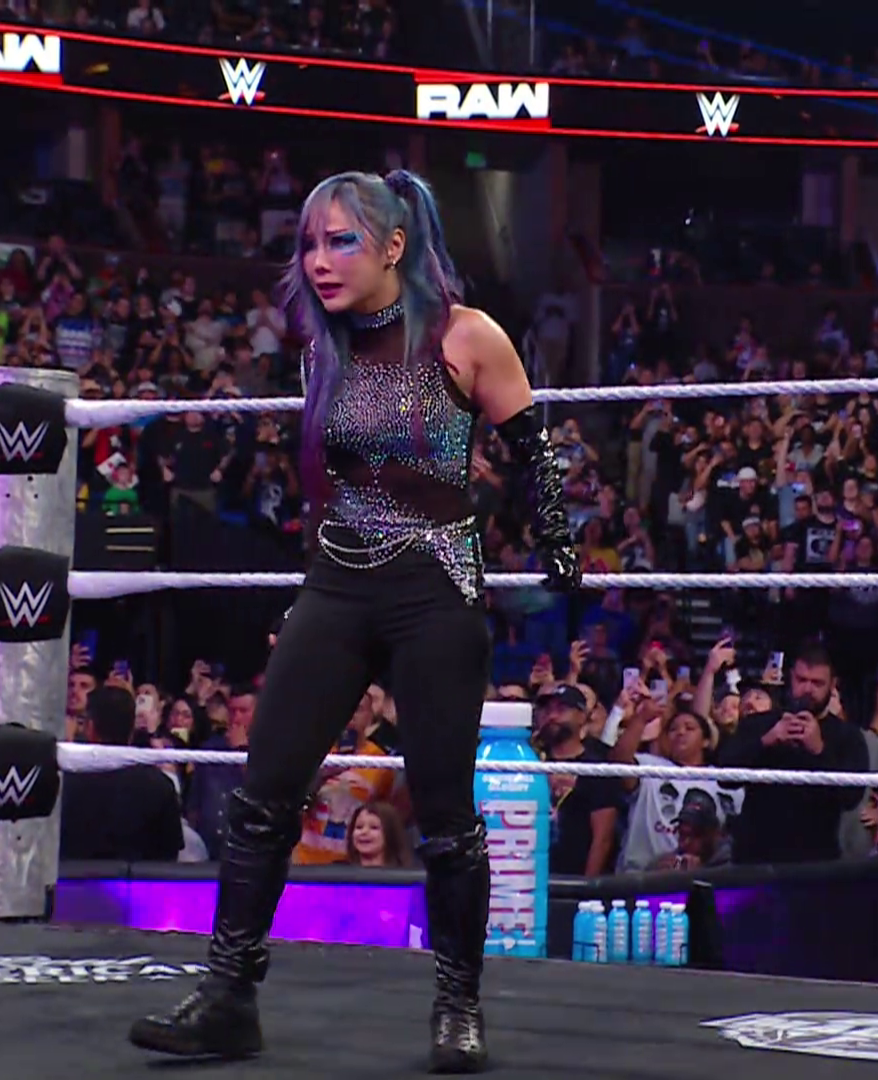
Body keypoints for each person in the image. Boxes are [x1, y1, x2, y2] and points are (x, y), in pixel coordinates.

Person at [129, 170, 579, 1072]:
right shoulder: (321, 349)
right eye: (310, 243)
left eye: (340, 241)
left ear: (394, 247)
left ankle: (458, 1007)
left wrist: (558, 543)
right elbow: (329, 485)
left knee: (446, 813)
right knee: (263, 792)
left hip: (433, 588)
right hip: (338, 582)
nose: (319, 261)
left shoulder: (466, 335)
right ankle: (228, 996)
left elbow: (534, 449)